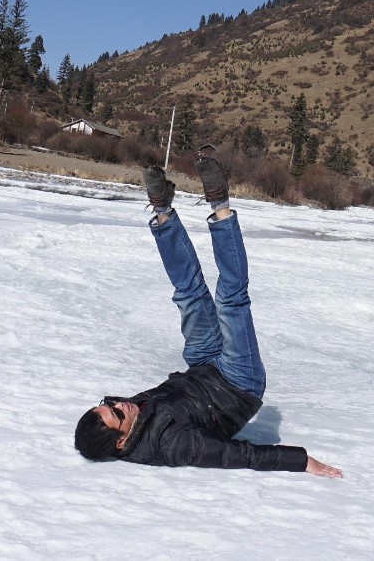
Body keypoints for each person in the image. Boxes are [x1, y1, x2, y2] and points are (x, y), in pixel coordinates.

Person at [73, 145, 343, 478]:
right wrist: (302, 462)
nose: (119, 403)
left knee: (188, 294)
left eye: (108, 403)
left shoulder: (129, 415)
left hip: (202, 366)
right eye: (116, 412)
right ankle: (220, 203)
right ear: (119, 442)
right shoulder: (172, 445)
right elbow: (238, 455)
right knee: (231, 299)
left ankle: (162, 212)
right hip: (238, 382)